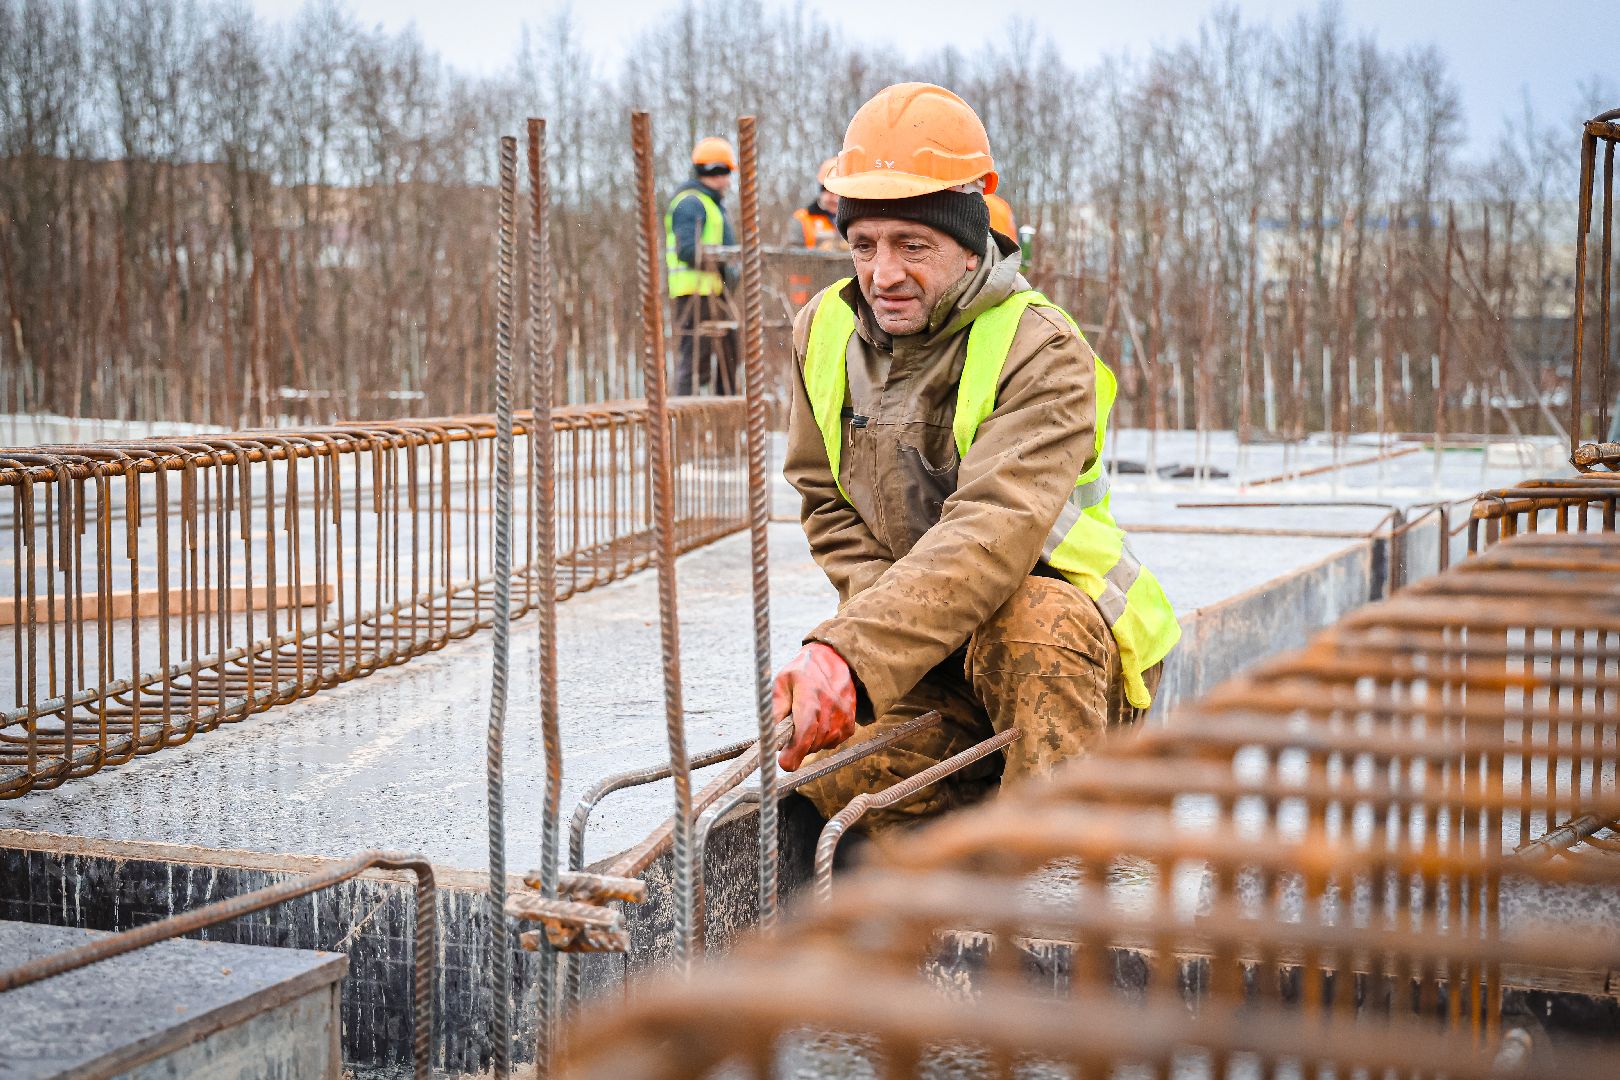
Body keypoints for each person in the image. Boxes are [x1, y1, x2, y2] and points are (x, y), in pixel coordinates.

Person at [772, 82, 1180, 832]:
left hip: (1065, 665)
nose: (883, 274)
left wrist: (853, 650)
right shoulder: (822, 333)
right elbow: (825, 501)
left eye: (912, 245)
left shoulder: (1042, 350)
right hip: (936, 657)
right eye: (864, 244)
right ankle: (987, 811)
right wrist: (880, 647)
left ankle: (1055, 857)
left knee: (1032, 622)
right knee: (839, 773)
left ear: (969, 241)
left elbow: (989, 533)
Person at [667, 136, 738, 395]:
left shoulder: (711, 204)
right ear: (714, 171)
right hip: (694, 297)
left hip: (714, 295)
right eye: (726, 173)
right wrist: (723, 263)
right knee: (695, 363)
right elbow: (686, 249)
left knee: (729, 357)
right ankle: (684, 425)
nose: (729, 182)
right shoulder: (690, 202)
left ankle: (723, 422)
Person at [790, 158, 845, 250]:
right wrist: (819, 251)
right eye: (831, 192)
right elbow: (792, 254)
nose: (836, 199)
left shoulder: (855, 220)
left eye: (840, 193)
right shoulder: (802, 218)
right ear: (822, 191)